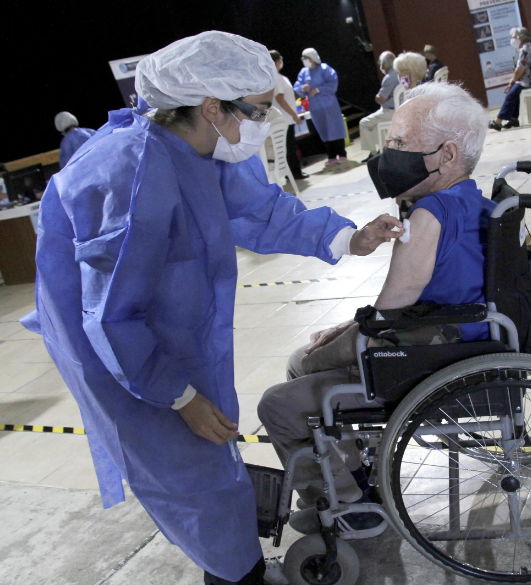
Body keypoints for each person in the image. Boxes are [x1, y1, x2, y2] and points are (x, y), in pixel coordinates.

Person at [21, 31, 403, 585]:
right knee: (191, 478)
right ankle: (235, 575)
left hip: (169, 338)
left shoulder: (201, 148)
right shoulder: (134, 175)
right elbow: (110, 316)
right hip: (124, 355)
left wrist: (348, 237)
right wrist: (179, 396)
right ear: (210, 106)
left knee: (212, 456)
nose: (264, 122)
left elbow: (260, 210)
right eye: (257, 110)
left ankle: (235, 562)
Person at [258, 82, 492, 532]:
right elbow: (399, 308)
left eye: (400, 143)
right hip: (458, 340)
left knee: (280, 401)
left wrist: (331, 347)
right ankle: (350, 475)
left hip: (431, 361)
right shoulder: (474, 201)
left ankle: (349, 505)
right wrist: (347, 328)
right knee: (304, 361)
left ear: (447, 154)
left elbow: (380, 325)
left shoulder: (430, 215)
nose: (389, 155)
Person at [294, 49, 347, 165]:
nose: (304, 61)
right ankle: (331, 155)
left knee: (335, 128)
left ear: (312, 58)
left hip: (329, 105)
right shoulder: (304, 72)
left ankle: (342, 153)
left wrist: (319, 89)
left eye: (306, 58)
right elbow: (297, 86)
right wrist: (302, 88)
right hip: (315, 107)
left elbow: (333, 83)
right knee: (323, 130)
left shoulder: (324, 68)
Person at [488, 27, 531, 131]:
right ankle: (513, 119)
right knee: (514, 91)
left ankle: (498, 122)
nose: (513, 40)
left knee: (511, 94)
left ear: (521, 37)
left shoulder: (525, 50)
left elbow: (519, 70)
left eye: (514, 37)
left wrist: (512, 80)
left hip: (530, 81)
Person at [269, 50, 308, 181]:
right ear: (276, 61)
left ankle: (291, 172)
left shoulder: (277, 77)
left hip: (285, 118)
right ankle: (295, 172)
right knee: (289, 147)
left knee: (287, 146)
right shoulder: (276, 78)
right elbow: (280, 99)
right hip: (285, 118)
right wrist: (293, 114)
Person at [359, 51, 399, 163]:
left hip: (391, 111)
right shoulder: (402, 72)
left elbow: (381, 99)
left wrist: (376, 97)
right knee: (376, 124)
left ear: (384, 64)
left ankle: (373, 153)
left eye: (381, 64)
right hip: (402, 108)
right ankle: (384, 149)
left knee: (364, 123)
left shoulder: (389, 77)